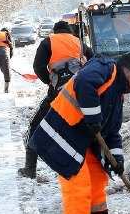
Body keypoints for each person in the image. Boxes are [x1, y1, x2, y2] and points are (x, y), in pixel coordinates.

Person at [28, 52, 130, 214]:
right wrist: (93, 117)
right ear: (129, 72)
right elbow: (84, 82)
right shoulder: (106, 68)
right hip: (61, 132)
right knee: (78, 183)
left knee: (98, 174)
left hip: (81, 140)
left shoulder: (117, 94)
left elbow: (112, 132)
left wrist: (117, 159)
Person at [19, 21, 92, 180]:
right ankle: (86, 168)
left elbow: (38, 66)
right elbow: (92, 62)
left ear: (55, 30)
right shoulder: (79, 42)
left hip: (58, 95)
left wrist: (50, 81)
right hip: (80, 93)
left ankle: (30, 169)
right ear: (69, 31)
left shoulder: (48, 41)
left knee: (36, 126)